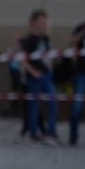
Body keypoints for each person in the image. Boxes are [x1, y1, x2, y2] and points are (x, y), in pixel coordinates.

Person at [17, 10, 60, 144]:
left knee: (53, 102)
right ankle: (33, 134)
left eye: (45, 21)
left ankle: (51, 132)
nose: (44, 24)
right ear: (34, 22)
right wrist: (32, 71)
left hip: (46, 74)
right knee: (34, 106)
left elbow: (48, 54)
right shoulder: (28, 40)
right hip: (34, 76)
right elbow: (22, 59)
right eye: (41, 21)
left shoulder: (45, 38)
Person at [69, 11, 85, 146]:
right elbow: (71, 41)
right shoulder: (81, 27)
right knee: (77, 104)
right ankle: (73, 136)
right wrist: (84, 31)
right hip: (82, 71)